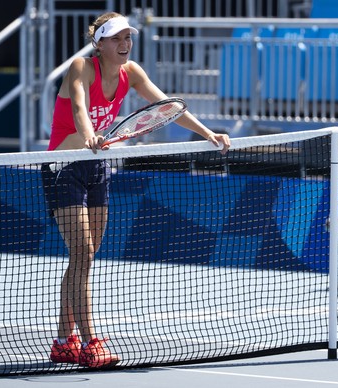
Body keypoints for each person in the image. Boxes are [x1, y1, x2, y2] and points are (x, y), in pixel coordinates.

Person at [42, 12, 230, 368]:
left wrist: (209, 134)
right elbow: (80, 109)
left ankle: (63, 341)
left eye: (128, 37)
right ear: (99, 43)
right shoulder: (81, 67)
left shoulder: (133, 73)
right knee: (82, 254)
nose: (124, 44)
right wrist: (88, 136)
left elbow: (168, 108)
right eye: (116, 38)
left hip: (97, 165)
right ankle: (90, 341)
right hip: (62, 167)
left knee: (85, 257)